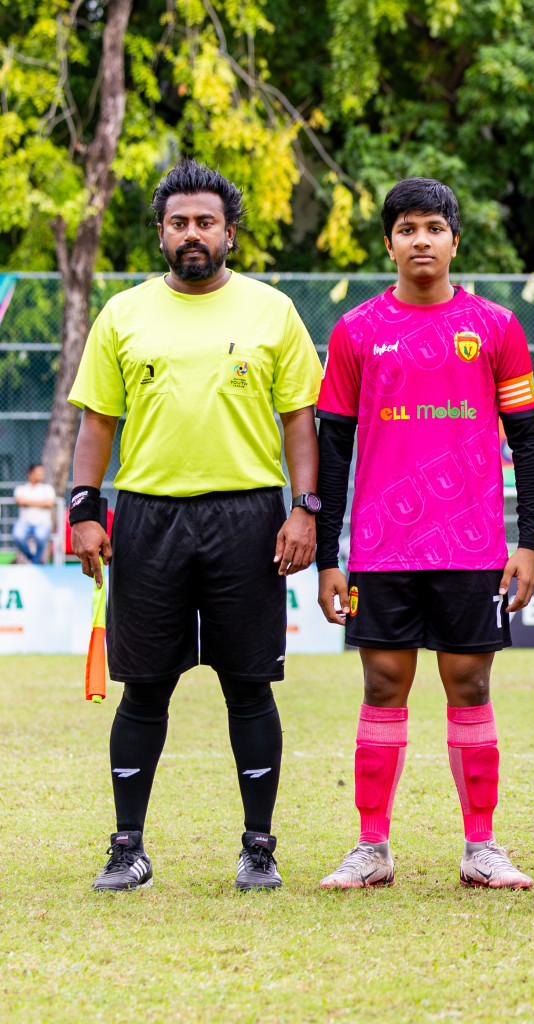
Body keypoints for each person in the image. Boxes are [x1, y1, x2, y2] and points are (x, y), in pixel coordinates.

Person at [68, 159, 322, 892]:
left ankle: (258, 847)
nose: (192, 233)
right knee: (144, 688)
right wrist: (86, 507)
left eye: (205, 221)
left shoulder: (272, 311)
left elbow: (299, 422)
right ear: (161, 233)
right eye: (178, 222)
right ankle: (127, 847)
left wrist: (304, 510)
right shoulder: (124, 314)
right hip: (148, 517)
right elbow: (97, 421)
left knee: (249, 685)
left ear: (230, 234)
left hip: (247, 516)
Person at [313, 178, 534, 890]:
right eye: (408, 228)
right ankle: (371, 847)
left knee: (469, 682)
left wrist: (529, 541)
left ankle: (481, 846)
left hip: (472, 544)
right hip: (382, 547)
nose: (422, 240)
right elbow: (334, 447)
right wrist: (329, 557)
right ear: (388, 242)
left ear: (454, 240)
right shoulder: (356, 331)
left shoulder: (497, 326)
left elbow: (528, 441)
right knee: (383, 684)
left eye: (434, 227)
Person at [11, 463, 56, 563]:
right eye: (39, 472)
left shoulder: (47, 489)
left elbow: (49, 503)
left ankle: (35, 561)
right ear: (30, 474)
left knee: (40, 536)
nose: (42, 475)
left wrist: (27, 502)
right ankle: (35, 560)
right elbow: (20, 501)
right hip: (24, 523)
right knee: (18, 535)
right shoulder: (21, 489)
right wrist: (41, 503)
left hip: (43, 523)